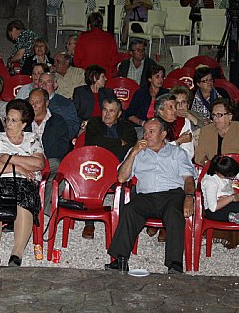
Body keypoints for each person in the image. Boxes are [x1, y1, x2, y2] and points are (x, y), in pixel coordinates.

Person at [105, 118, 196, 275]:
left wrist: (189, 197)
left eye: (151, 132)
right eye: (145, 132)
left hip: (172, 195)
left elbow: (189, 178)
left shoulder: (177, 153)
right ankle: (120, 259)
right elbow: (121, 178)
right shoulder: (137, 152)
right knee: (130, 210)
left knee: (174, 213)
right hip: (146, 196)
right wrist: (133, 152)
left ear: (163, 135)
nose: (146, 135)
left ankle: (174, 263)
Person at [0, 100, 46, 267]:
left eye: (13, 120)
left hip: (25, 183)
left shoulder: (32, 139)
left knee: (23, 201)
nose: (8, 124)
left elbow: (39, 163)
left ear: (23, 124)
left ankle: (16, 254)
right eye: (7, 119)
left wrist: (8, 158)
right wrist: (18, 168)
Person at [82, 97, 137, 239]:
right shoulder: (94, 123)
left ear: (119, 114)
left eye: (111, 111)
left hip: (118, 168)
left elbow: (130, 149)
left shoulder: (128, 127)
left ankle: (122, 224)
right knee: (90, 175)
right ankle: (89, 221)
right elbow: (93, 142)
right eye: (105, 110)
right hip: (96, 165)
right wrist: (118, 142)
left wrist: (104, 146)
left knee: (129, 183)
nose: (107, 114)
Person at [28, 88, 70, 214]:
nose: (33, 106)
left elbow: (63, 146)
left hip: (50, 160)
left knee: (56, 175)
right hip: (28, 160)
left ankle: (43, 209)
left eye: (37, 102)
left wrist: (45, 158)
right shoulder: (24, 120)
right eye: (31, 102)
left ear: (46, 103)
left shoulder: (58, 121)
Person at [195, 98, 239, 167]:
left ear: (230, 116)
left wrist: (225, 168)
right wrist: (208, 164)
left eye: (219, 115)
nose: (215, 118)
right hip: (212, 169)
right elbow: (199, 155)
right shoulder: (206, 130)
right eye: (213, 115)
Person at [124, 64, 168, 136]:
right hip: (141, 127)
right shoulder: (140, 94)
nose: (160, 80)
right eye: (157, 77)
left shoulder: (166, 94)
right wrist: (143, 123)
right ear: (149, 79)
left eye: (162, 77)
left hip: (160, 128)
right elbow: (129, 115)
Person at [38, 72, 80, 139]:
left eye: (48, 82)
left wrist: (59, 139)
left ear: (55, 85)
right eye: (41, 81)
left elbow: (73, 126)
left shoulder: (65, 103)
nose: (44, 85)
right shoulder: (29, 102)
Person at [155, 94, 194, 161]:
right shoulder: (152, 126)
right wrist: (178, 141)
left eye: (175, 106)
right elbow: (156, 151)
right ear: (160, 111)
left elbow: (188, 152)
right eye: (171, 107)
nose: (175, 110)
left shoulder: (183, 122)